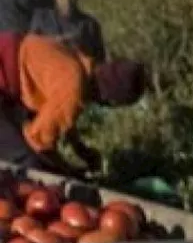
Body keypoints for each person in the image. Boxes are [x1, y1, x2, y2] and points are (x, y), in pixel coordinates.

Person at [0, 31, 146, 175]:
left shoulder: (78, 63)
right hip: (5, 79)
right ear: (109, 100)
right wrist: (69, 172)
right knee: (28, 164)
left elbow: (59, 112)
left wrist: (80, 149)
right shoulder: (73, 87)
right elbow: (38, 142)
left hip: (8, 73)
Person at [30, 0, 107, 63]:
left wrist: (80, 46)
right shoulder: (42, 19)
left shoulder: (89, 25)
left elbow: (99, 60)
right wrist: (54, 43)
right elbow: (32, 50)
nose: (67, 1)